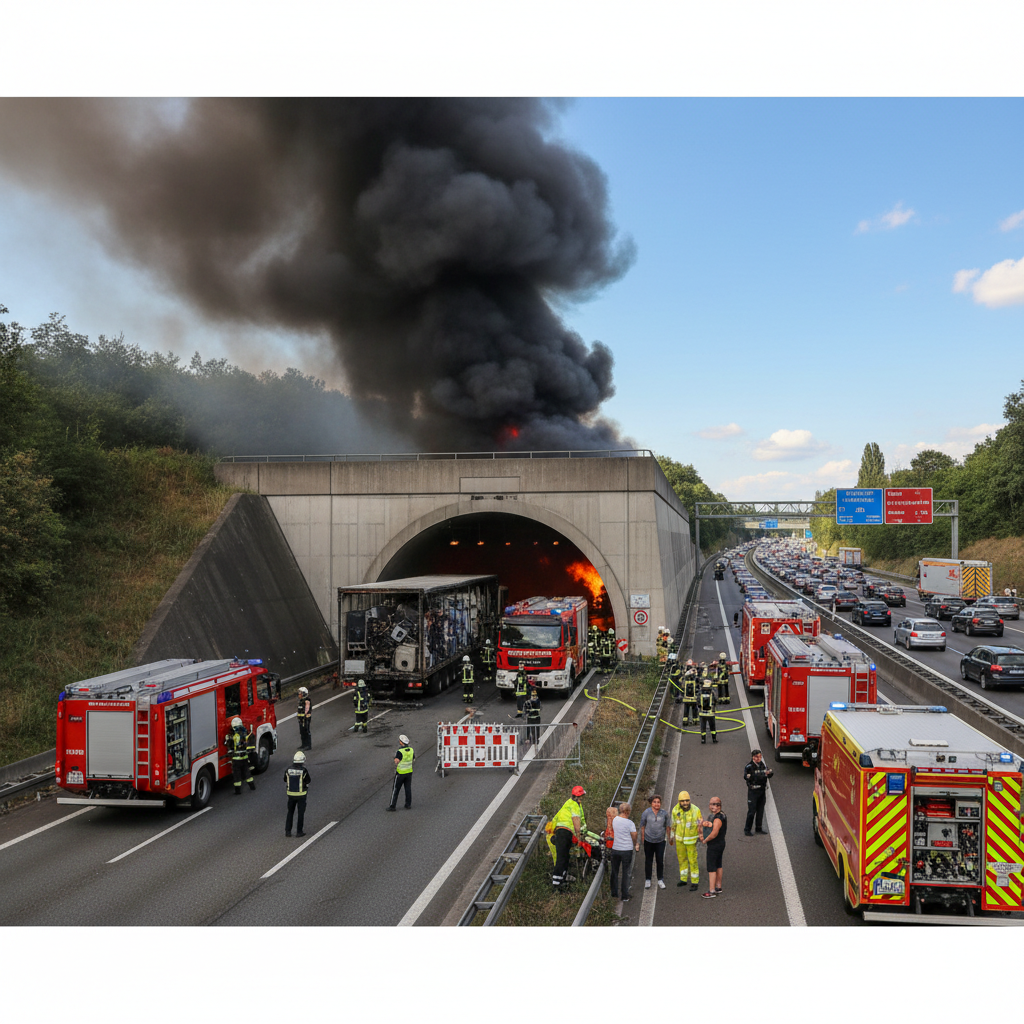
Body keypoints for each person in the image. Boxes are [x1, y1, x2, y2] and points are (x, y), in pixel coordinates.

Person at [551, 785, 587, 890]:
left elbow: (556, 818)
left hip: (560, 832)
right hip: (565, 832)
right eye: (582, 796)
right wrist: (579, 836)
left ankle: (563, 878)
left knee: (565, 857)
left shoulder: (568, 803)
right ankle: (557, 885)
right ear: (579, 797)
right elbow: (576, 820)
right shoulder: (575, 805)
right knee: (562, 858)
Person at [670, 790, 702, 890]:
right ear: (679, 801)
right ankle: (683, 879)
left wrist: (700, 836)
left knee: (692, 861)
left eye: (687, 800)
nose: (685, 803)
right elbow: (673, 825)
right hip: (679, 841)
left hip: (691, 841)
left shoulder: (696, 810)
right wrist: (671, 837)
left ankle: (694, 881)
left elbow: (700, 825)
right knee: (682, 860)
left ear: (690, 800)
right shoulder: (675, 810)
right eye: (682, 801)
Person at [608, 801, 639, 901]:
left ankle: (614, 893)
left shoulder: (615, 820)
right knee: (626, 872)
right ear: (627, 811)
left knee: (614, 871)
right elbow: (634, 835)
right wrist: (635, 844)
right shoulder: (630, 823)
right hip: (626, 850)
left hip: (616, 849)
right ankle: (625, 895)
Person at [639, 793, 669, 890]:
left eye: (658, 802)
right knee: (648, 860)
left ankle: (660, 879)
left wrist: (670, 837)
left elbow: (668, 826)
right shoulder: (646, 813)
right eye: (655, 802)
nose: (657, 804)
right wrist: (642, 838)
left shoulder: (664, 814)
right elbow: (642, 826)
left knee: (660, 860)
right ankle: (648, 879)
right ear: (651, 803)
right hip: (648, 840)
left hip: (660, 841)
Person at [700, 796, 727, 897]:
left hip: (714, 845)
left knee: (711, 868)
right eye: (712, 804)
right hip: (721, 843)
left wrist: (705, 840)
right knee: (718, 865)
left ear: (719, 805)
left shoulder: (717, 819)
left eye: (715, 804)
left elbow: (714, 833)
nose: (713, 806)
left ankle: (711, 891)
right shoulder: (722, 815)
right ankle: (718, 887)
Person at [743, 749, 773, 834]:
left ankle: (758, 828)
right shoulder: (749, 767)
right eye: (756, 757)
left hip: (762, 790)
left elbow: (769, 774)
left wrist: (769, 773)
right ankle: (747, 829)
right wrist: (756, 776)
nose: (758, 758)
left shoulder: (762, 765)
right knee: (752, 811)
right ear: (753, 757)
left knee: (760, 811)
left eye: (760, 756)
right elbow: (746, 777)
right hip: (753, 791)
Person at [225, 716, 255, 795]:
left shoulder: (232, 735)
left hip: (236, 759)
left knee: (237, 774)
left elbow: (229, 746)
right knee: (247, 772)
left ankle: (238, 791)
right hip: (245, 757)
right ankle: (252, 786)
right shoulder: (245, 732)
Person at [284, 749, 311, 837]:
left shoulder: (288, 769)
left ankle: (288, 831)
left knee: (290, 812)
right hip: (301, 795)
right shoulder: (303, 770)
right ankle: (299, 832)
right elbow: (308, 780)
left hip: (290, 795)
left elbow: (285, 779)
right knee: (300, 813)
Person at [386, 733, 414, 811]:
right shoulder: (411, 750)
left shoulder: (400, 751)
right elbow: (413, 758)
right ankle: (408, 804)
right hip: (409, 772)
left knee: (396, 789)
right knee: (408, 789)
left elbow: (396, 761)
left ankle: (392, 806)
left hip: (400, 773)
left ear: (401, 742)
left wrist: (395, 758)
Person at [698, 675, 718, 744]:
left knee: (703, 727)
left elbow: (697, 701)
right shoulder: (712, 693)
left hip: (702, 714)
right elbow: (716, 700)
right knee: (712, 727)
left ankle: (703, 740)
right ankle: (714, 739)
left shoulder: (700, 693)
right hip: (711, 714)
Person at [297, 686, 312, 750]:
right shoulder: (301, 701)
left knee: (306, 731)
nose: (299, 695)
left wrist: (305, 717)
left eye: (300, 694)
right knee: (302, 732)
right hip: (301, 719)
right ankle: (303, 744)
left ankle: (308, 745)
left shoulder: (307, 701)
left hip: (305, 719)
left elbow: (307, 709)